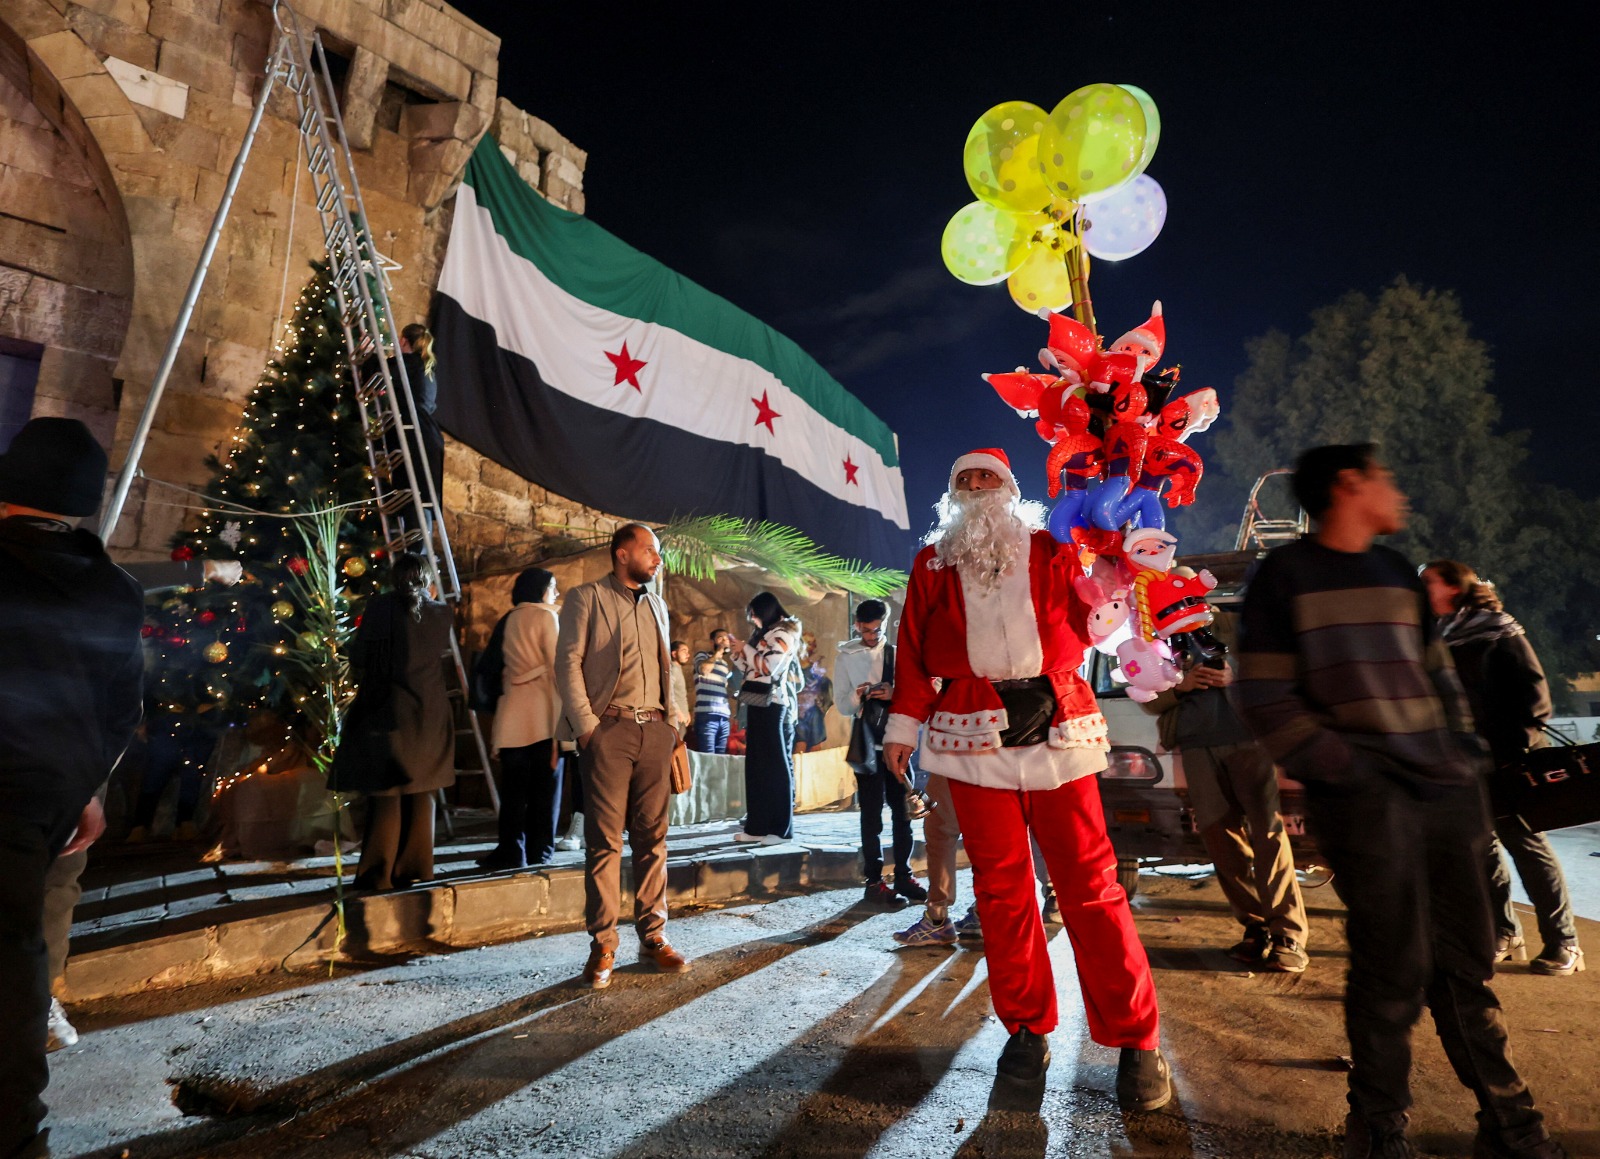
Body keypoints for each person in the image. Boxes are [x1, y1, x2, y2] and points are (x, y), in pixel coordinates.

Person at [1235, 444, 1565, 1159]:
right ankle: (1377, 1127)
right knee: (1392, 965)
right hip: (1364, 804)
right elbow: (1263, 694)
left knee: (1466, 963)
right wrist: (1346, 768)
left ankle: (1509, 1121)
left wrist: (1463, 758)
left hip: (1444, 795)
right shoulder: (1283, 578)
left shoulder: (1394, 572)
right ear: (1350, 486)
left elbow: (1438, 676)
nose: (1397, 492)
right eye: (1384, 477)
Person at [880, 448, 1169, 1109]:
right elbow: (914, 652)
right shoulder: (930, 563)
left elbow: (1101, 621)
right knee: (1003, 890)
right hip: (970, 728)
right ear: (952, 494)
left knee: (1091, 883)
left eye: (990, 478)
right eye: (966, 479)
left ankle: (1137, 1037)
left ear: (1011, 490)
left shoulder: (1054, 546)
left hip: (1060, 721)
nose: (979, 488)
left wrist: (1116, 572)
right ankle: (1025, 1029)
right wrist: (902, 727)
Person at [1, 418, 144, 1159]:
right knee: (14, 954)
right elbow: (118, 709)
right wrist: (84, 788)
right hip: (36, 807)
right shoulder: (114, 593)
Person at [1420, 560, 1581, 977]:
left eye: (1427, 582)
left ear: (1454, 588)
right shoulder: (1442, 635)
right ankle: (1504, 934)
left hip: (1507, 761)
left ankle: (1564, 943)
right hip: (1462, 761)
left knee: (1527, 848)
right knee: (1481, 851)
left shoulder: (1497, 629)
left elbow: (1536, 697)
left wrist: (1510, 751)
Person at [555, 523, 690, 989]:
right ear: (622, 553)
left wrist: (675, 725)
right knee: (605, 842)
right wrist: (588, 727)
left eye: (658, 552)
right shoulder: (586, 598)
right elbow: (567, 662)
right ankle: (604, 945)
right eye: (650, 551)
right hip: (608, 731)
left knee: (654, 839)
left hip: (655, 732)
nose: (658, 559)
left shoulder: (657, 603)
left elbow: (667, 666)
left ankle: (654, 936)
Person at [1142, 613, 1310, 972]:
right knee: (1219, 837)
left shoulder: (1234, 625)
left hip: (1250, 740)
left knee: (1268, 833)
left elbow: (1277, 670)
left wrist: (1234, 676)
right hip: (1196, 745)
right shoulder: (1156, 642)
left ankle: (1288, 935)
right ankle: (1255, 926)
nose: (1173, 608)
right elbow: (1146, 697)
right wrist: (1180, 687)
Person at [331, 552, 455, 891]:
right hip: (429, 713)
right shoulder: (442, 612)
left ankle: (378, 874)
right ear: (427, 579)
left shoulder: (382, 607)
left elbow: (359, 656)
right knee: (421, 791)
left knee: (387, 795)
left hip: (388, 710)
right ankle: (414, 868)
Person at [836, 599, 927, 906]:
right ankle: (874, 881)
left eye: (876, 630)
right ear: (857, 624)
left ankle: (904, 875)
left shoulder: (897, 655)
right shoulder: (846, 655)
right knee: (871, 817)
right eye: (865, 630)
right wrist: (857, 694)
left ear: (885, 624)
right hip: (868, 746)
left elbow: (917, 693)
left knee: (904, 814)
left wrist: (893, 692)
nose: (871, 636)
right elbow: (842, 705)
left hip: (897, 741)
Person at [479, 567, 563, 871]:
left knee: (513, 791)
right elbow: (558, 671)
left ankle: (511, 850)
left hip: (513, 713)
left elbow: (493, 667)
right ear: (540, 589)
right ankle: (542, 850)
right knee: (545, 789)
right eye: (553, 587)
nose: (556, 593)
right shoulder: (546, 616)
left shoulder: (510, 618)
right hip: (542, 713)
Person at [733, 592, 803, 845]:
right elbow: (751, 668)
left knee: (775, 767)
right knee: (756, 767)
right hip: (756, 701)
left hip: (773, 704)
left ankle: (782, 829)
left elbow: (768, 667)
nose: (752, 619)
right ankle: (757, 826)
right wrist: (738, 653)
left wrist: (746, 649)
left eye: (755, 613)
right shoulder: (766, 635)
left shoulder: (783, 634)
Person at [691, 630, 735, 753]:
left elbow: (725, 689)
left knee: (721, 758)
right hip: (707, 715)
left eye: (726, 638)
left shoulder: (725, 664)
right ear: (712, 642)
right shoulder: (702, 656)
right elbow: (704, 670)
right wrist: (718, 652)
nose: (724, 641)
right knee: (708, 757)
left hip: (724, 717)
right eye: (720, 638)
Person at [793, 634, 833, 754]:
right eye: (805, 643)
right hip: (798, 714)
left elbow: (826, 690)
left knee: (816, 746)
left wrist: (822, 707)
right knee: (800, 744)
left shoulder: (816, 671)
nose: (808, 647)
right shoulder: (793, 669)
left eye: (811, 644)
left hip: (814, 713)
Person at [669, 640, 692, 734]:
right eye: (684, 651)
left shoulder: (678, 669)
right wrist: (677, 712)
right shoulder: (673, 669)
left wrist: (687, 712)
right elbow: (669, 692)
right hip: (677, 718)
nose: (688, 654)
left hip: (683, 718)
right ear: (674, 654)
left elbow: (681, 695)